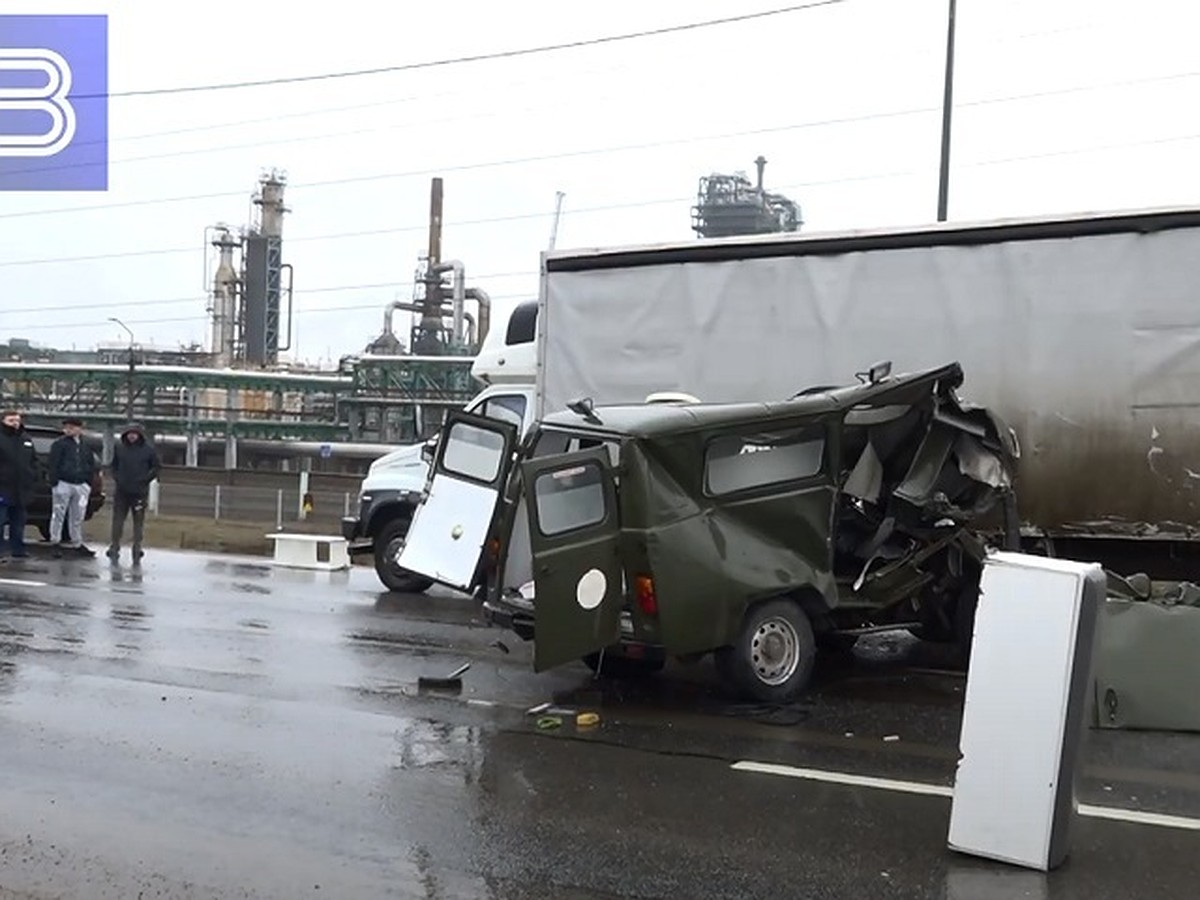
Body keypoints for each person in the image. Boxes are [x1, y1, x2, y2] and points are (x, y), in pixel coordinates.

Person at [107, 422, 160, 564]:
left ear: (139, 435)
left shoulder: (148, 450)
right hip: (122, 491)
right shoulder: (119, 448)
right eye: (129, 433)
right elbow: (113, 466)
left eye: (134, 434)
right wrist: (118, 478)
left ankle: (137, 547)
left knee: (138, 522)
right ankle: (115, 546)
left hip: (139, 492)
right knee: (117, 520)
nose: (132, 436)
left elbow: (156, 468)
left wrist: (145, 480)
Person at [49, 416, 97, 558]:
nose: (68, 430)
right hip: (63, 482)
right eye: (66, 427)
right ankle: (55, 542)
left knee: (77, 515)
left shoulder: (86, 444)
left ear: (79, 428)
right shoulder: (59, 444)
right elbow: (53, 464)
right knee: (58, 514)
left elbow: (90, 463)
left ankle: (77, 542)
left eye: (72, 427)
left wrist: (87, 482)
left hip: (81, 484)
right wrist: (54, 482)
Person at [0, 409, 37, 562]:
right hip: (3, 488)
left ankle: (18, 549)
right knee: (1, 520)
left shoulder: (25, 439)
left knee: (19, 520)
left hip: (21, 489)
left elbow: (33, 461)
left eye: (17, 420)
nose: (15, 423)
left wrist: (33, 476)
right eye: (11, 420)